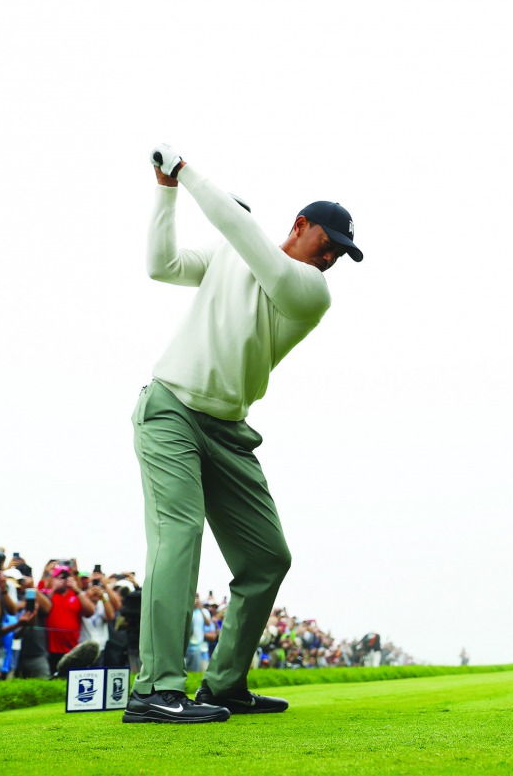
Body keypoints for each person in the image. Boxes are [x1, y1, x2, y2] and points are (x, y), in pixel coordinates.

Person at [125, 144, 362, 724]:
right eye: (326, 242)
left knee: (267, 558)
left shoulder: (309, 290)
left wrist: (187, 170)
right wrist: (166, 189)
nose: (330, 257)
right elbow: (161, 265)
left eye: (339, 253)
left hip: (230, 431)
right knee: (179, 536)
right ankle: (156, 688)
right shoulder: (232, 256)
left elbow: (246, 235)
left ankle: (224, 685)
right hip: (171, 411)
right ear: (300, 226)